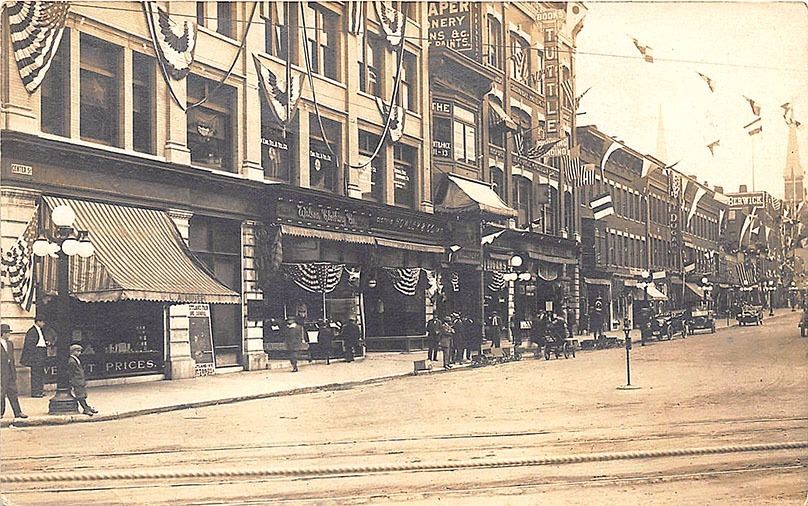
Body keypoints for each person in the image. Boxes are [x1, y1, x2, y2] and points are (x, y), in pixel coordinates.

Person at [1, 324, 27, 419]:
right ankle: (0, 413)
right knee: (1, 394)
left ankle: (18, 412)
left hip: (10, 372)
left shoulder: (10, 344)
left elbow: (12, 359)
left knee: (13, 393)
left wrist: (13, 373)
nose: (9, 334)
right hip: (1, 373)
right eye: (8, 332)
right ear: (3, 333)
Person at [20, 317, 49, 398]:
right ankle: (35, 392)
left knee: (40, 373)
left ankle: (40, 390)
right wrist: (34, 357)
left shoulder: (40, 331)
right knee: (36, 374)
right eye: (43, 322)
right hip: (36, 355)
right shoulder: (32, 331)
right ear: (38, 322)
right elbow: (30, 346)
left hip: (41, 354)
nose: (44, 324)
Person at [67, 344, 97, 416]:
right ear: (72, 351)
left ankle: (86, 407)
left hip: (80, 380)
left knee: (82, 395)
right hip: (77, 381)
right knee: (80, 396)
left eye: (80, 351)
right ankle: (85, 408)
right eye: (77, 351)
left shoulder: (75, 360)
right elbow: (71, 372)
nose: (79, 353)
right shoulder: (72, 361)